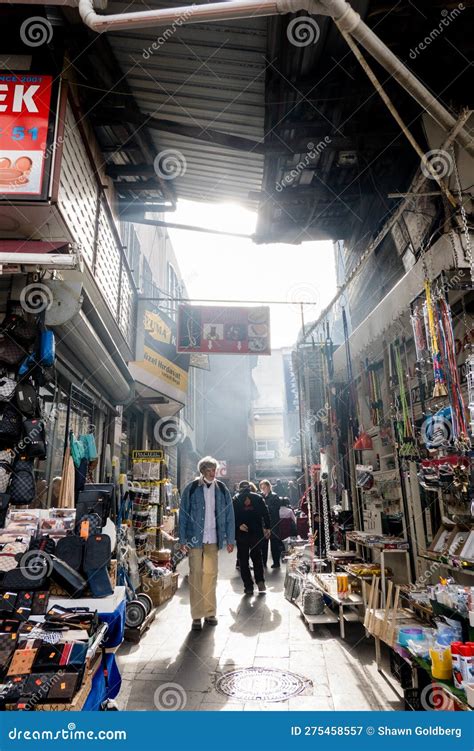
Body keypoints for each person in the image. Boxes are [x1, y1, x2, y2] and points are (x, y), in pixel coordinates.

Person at [178, 456, 235, 631]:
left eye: (214, 470)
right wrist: (182, 540)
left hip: (214, 539)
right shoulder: (192, 488)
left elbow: (230, 514)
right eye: (210, 470)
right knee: (195, 576)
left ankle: (210, 613)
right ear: (202, 471)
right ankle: (196, 616)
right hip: (195, 539)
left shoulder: (222, 489)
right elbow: (184, 515)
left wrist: (230, 539)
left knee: (211, 575)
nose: (213, 473)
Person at [233, 481, 270, 594]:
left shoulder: (235, 499)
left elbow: (231, 516)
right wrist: (267, 528)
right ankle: (260, 581)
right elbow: (266, 513)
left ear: (239, 488)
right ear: (250, 488)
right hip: (256, 533)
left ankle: (248, 586)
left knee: (243, 560)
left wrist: (238, 524)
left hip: (242, 533)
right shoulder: (258, 498)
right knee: (257, 558)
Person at [259, 479, 283, 568]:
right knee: (263, 545)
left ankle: (276, 562)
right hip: (263, 524)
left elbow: (275, 509)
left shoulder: (274, 496)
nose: (263, 489)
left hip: (273, 523)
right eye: (261, 488)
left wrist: (265, 507)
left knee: (274, 544)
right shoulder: (260, 496)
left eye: (264, 487)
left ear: (269, 487)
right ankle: (263, 562)